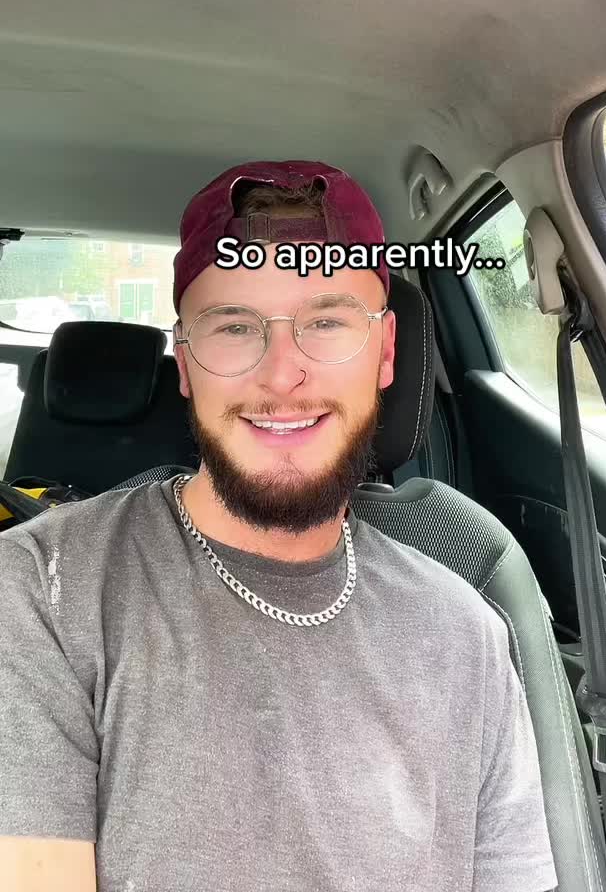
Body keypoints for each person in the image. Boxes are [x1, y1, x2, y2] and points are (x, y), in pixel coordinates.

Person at [0, 160, 557, 892]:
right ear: (186, 362)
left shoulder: (465, 630)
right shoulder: (41, 593)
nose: (282, 373)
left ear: (387, 352)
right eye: (235, 327)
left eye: (326, 321)